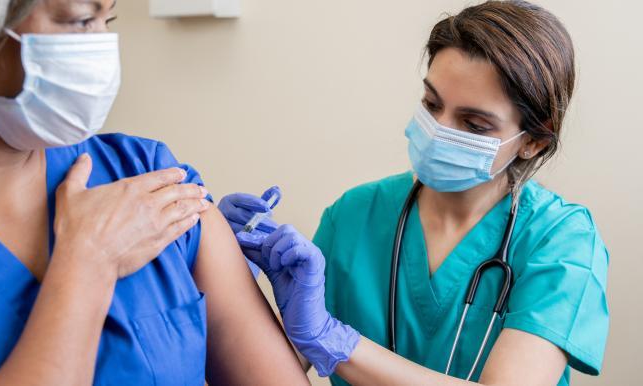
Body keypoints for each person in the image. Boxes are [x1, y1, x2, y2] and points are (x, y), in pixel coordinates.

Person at [0, 0, 309, 385]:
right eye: (78, 19)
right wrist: (87, 264)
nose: (101, 50)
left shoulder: (144, 173)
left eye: (106, 19)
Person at [219, 1, 609, 385]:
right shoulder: (355, 214)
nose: (438, 129)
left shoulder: (563, 241)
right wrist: (226, 275)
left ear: (534, 142)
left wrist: (333, 339)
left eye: (474, 124)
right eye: (431, 103)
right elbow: (270, 372)